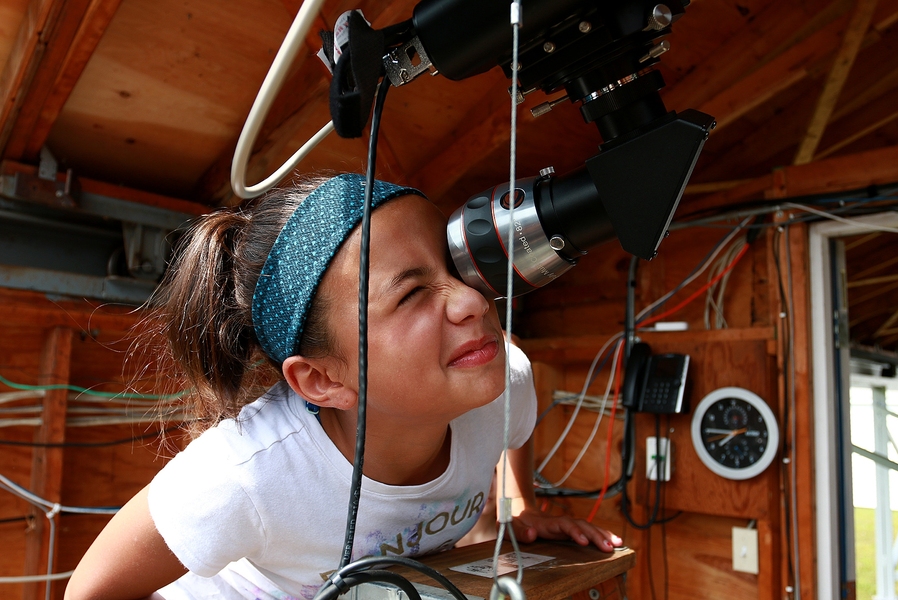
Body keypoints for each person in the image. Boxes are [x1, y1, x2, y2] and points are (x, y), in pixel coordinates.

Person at [65, 173, 622, 600]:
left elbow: (513, 426)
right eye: (409, 295)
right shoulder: (247, 475)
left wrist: (512, 512)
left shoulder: (502, 381)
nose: (474, 300)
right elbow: (89, 592)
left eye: (456, 268)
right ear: (322, 379)